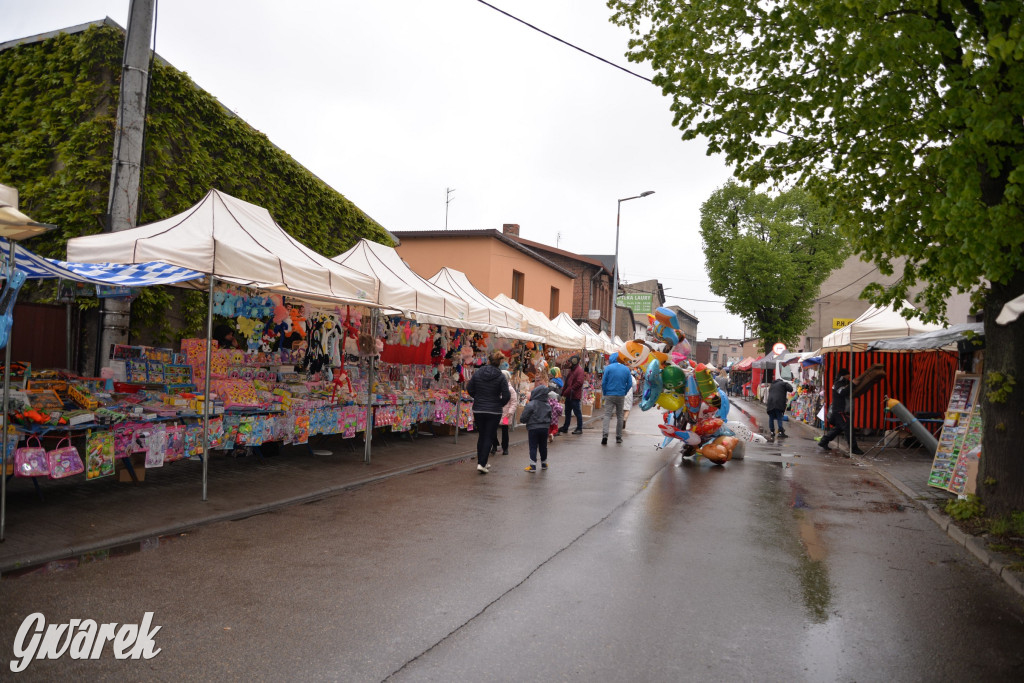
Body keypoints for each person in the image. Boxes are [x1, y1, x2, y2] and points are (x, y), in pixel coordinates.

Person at [466, 350, 511, 473]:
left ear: (488, 361)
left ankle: (482, 461)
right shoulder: (501, 376)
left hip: (479, 408)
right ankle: (482, 463)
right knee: (489, 435)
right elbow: (507, 395)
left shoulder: (478, 373)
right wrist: (499, 403)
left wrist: (478, 397)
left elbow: (469, 388)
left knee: (482, 435)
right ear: (499, 363)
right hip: (494, 411)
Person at [819, 367, 863, 455]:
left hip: (838, 410)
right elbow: (843, 392)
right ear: (845, 375)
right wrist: (853, 384)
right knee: (848, 428)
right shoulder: (838, 383)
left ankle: (823, 441)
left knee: (838, 429)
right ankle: (854, 448)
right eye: (848, 375)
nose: (849, 377)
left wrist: (853, 384)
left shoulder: (840, 382)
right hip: (839, 410)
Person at [519, 379, 553, 472]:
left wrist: (523, 421)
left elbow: (524, 416)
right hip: (544, 428)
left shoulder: (531, 404)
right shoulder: (547, 405)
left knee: (533, 446)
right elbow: (551, 416)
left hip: (533, 428)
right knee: (543, 446)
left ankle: (533, 465)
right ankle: (544, 463)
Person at [600, 353, 632, 445]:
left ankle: (605, 435)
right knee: (620, 416)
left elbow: (604, 382)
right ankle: (618, 437)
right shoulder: (626, 369)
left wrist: (605, 392)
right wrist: (624, 392)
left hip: (609, 394)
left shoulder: (608, 368)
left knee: (607, 415)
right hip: (620, 395)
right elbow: (629, 383)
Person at [492, 369, 518, 456]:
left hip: (506, 414)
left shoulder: (510, 389)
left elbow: (514, 402)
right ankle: (494, 445)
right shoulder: (496, 387)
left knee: (505, 431)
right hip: (496, 412)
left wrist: (510, 412)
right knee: (492, 430)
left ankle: (505, 447)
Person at [558, 355, 585, 434]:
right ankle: (566, 427)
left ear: (574, 362)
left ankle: (579, 428)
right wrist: (563, 392)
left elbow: (579, 382)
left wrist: (570, 389)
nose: (568, 363)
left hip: (574, 396)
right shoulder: (572, 370)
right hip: (569, 395)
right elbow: (567, 382)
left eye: (569, 362)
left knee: (577, 413)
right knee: (567, 412)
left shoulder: (579, 370)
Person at [765, 375, 794, 441]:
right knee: (779, 417)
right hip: (778, 403)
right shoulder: (783, 384)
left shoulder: (772, 385)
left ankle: (772, 432)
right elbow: (791, 389)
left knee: (771, 418)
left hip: (770, 403)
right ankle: (781, 431)